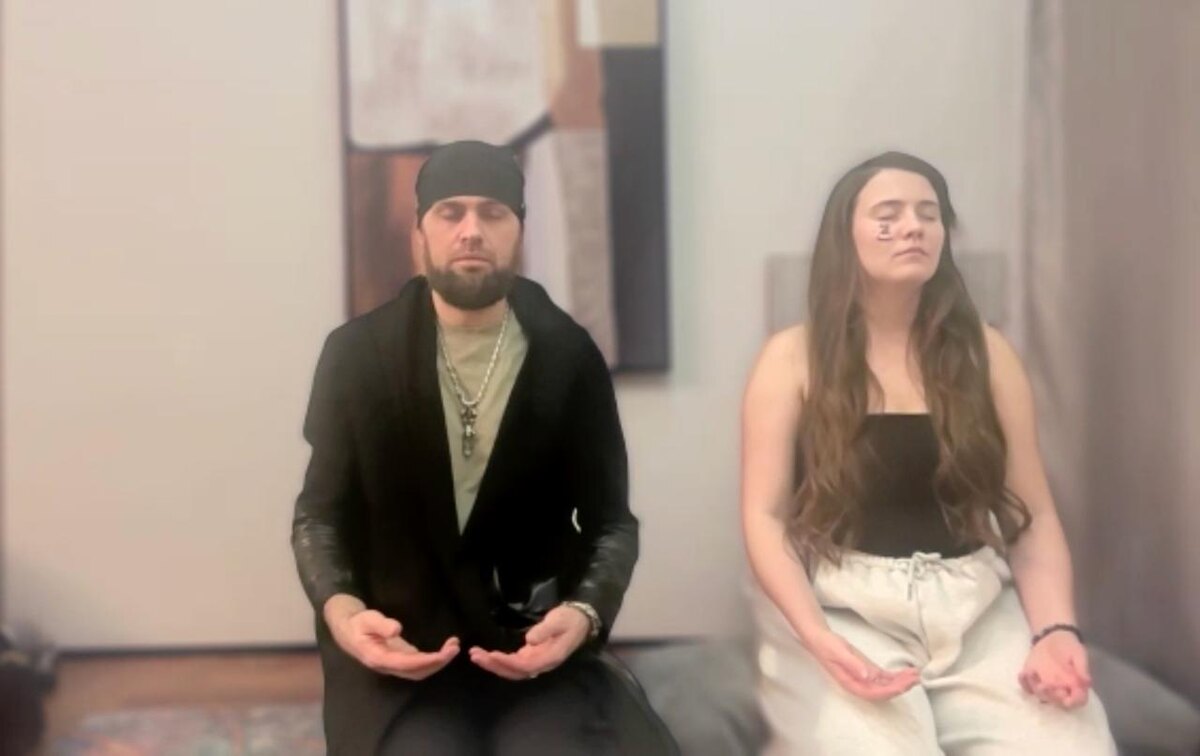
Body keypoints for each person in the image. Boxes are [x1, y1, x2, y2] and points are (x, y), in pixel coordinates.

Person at [292, 140, 675, 755]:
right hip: (403, 654)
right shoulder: (357, 356)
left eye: (492, 213)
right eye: (451, 212)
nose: (471, 230)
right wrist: (344, 614)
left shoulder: (568, 356)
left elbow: (612, 523)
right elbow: (319, 515)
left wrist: (583, 614)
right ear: (419, 232)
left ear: (519, 229)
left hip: (531, 650)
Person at [740, 151, 1117, 754]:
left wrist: (1054, 631)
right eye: (888, 216)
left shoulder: (988, 354)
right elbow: (764, 516)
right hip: (844, 608)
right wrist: (816, 636)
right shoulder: (790, 358)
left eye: (928, 214)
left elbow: (1033, 516)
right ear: (845, 237)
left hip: (974, 608)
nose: (913, 227)